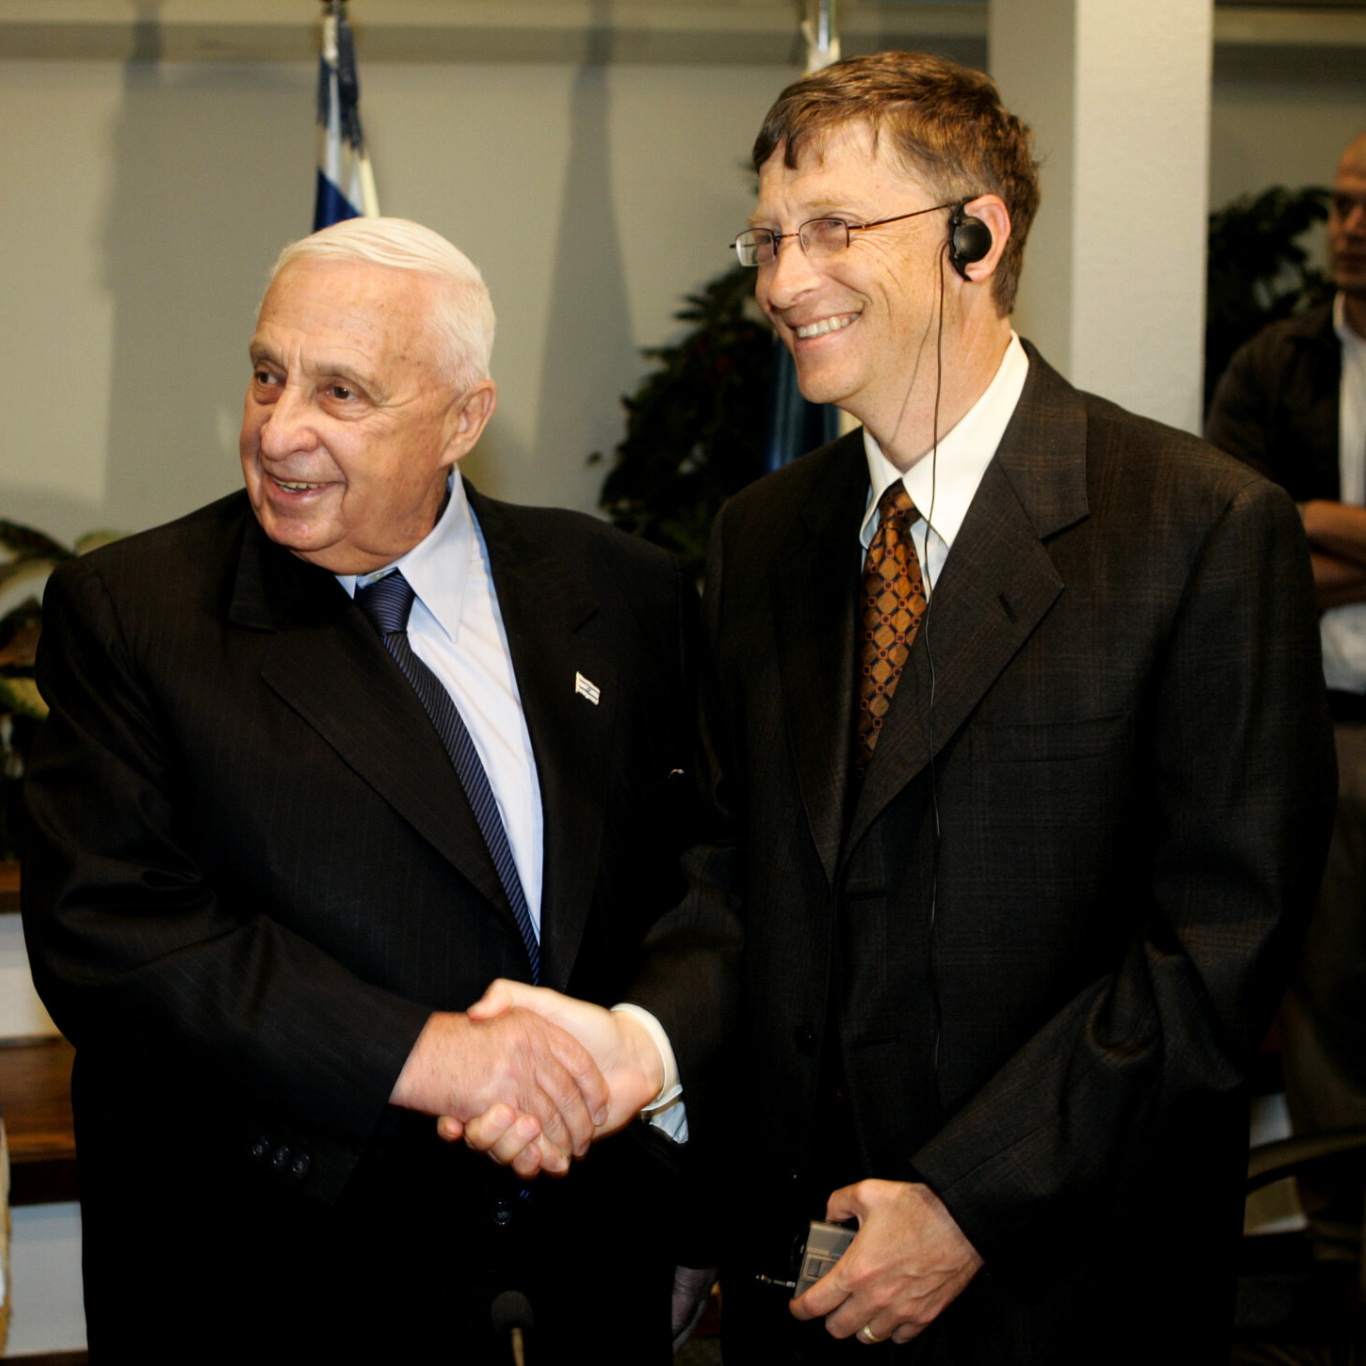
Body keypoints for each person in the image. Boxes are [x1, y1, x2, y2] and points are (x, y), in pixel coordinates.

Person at [471, 52, 1336, 1362]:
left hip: (1060, 1289)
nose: (780, 282)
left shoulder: (1197, 527)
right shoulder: (761, 535)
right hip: (799, 1282)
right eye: (768, 238)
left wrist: (971, 1201)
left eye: (831, 229)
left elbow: (1218, 949)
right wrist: (636, 1048)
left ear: (973, 236)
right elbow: (732, 875)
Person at [21, 217, 737, 1362]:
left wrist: (678, 1173)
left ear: (463, 418)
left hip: (591, 1273)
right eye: (268, 375)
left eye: (340, 392)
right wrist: (442, 1056)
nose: (277, 430)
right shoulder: (136, 614)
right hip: (280, 1289)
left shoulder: (625, 589)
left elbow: (710, 878)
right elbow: (112, 935)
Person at [1207, 130, 1366, 1302]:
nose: (1351, 227)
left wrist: (1327, 521)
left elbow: (1298, 531)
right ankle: (1342, 1251)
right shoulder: (1277, 362)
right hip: (1328, 729)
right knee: (1327, 1001)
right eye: (1341, 203)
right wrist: (1304, 526)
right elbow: (1252, 554)